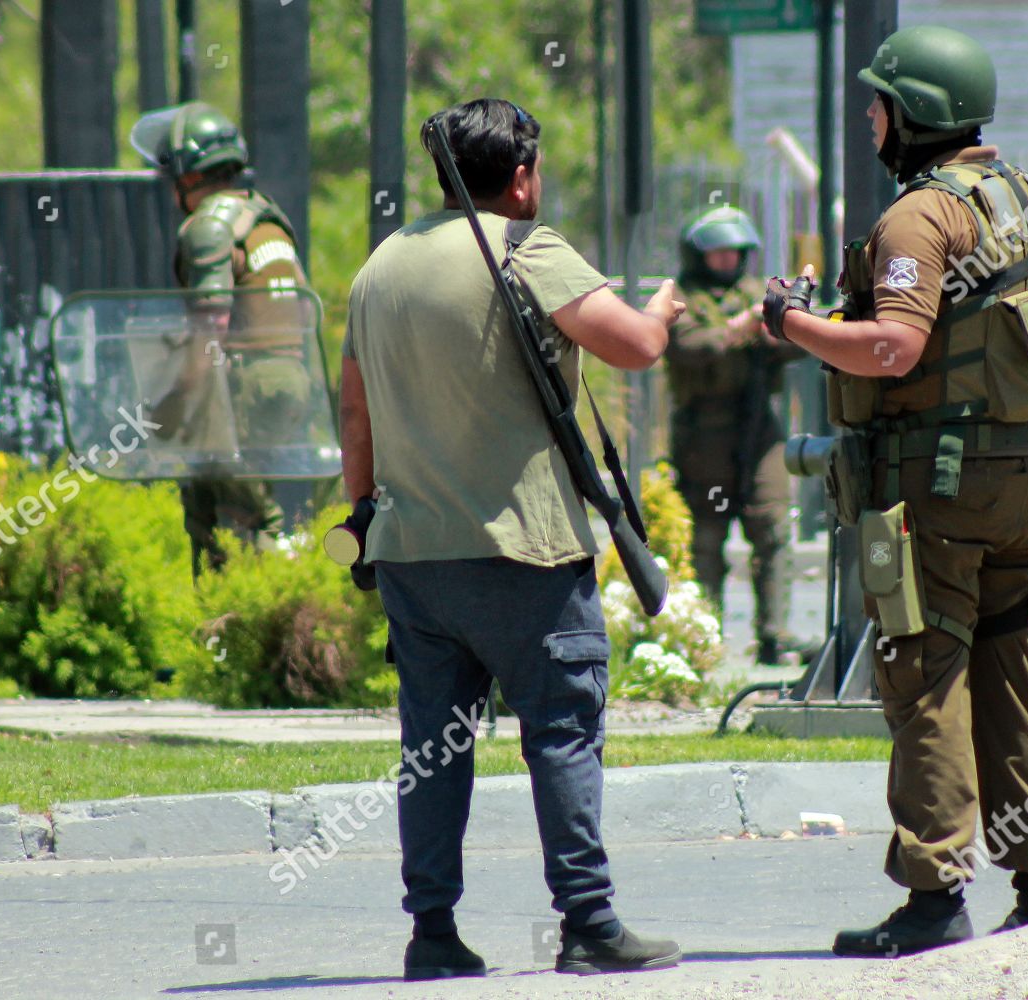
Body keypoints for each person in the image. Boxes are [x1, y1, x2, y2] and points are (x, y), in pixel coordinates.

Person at [338, 98, 685, 979]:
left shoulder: (379, 268)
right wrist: (666, 306)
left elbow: (354, 406)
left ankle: (434, 933)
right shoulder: (528, 250)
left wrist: (362, 513)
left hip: (414, 554)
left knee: (432, 748)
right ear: (521, 174)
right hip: (527, 554)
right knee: (562, 733)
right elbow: (637, 347)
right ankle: (589, 923)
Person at [764, 25, 1028, 957]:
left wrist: (796, 322)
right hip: (1027, 476)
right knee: (1009, 670)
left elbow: (895, 347)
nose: (870, 116)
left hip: (937, 487)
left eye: (880, 102)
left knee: (924, 675)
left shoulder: (919, 217)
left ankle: (936, 898)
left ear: (918, 113)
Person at [129, 101, 311, 576]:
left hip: (238, 387)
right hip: (288, 378)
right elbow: (304, 308)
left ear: (187, 175)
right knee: (253, 511)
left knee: (236, 520)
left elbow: (210, 328)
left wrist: (174, 401)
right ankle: (260, 613)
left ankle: (253, 624)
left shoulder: (209, 226)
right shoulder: (264, 217)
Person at [666, 206, 809, 663]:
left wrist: (779, 330)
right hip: (704, 436)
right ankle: (703, 639)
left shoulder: (757, 293)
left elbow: (797, 348)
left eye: (735, 252)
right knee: (706, 538)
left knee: (771, 528)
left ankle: (775, 635)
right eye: (718, 253)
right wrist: (737, 329)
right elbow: (690, 346)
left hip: (757, 430)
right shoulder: (680, 297)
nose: (727, 260)